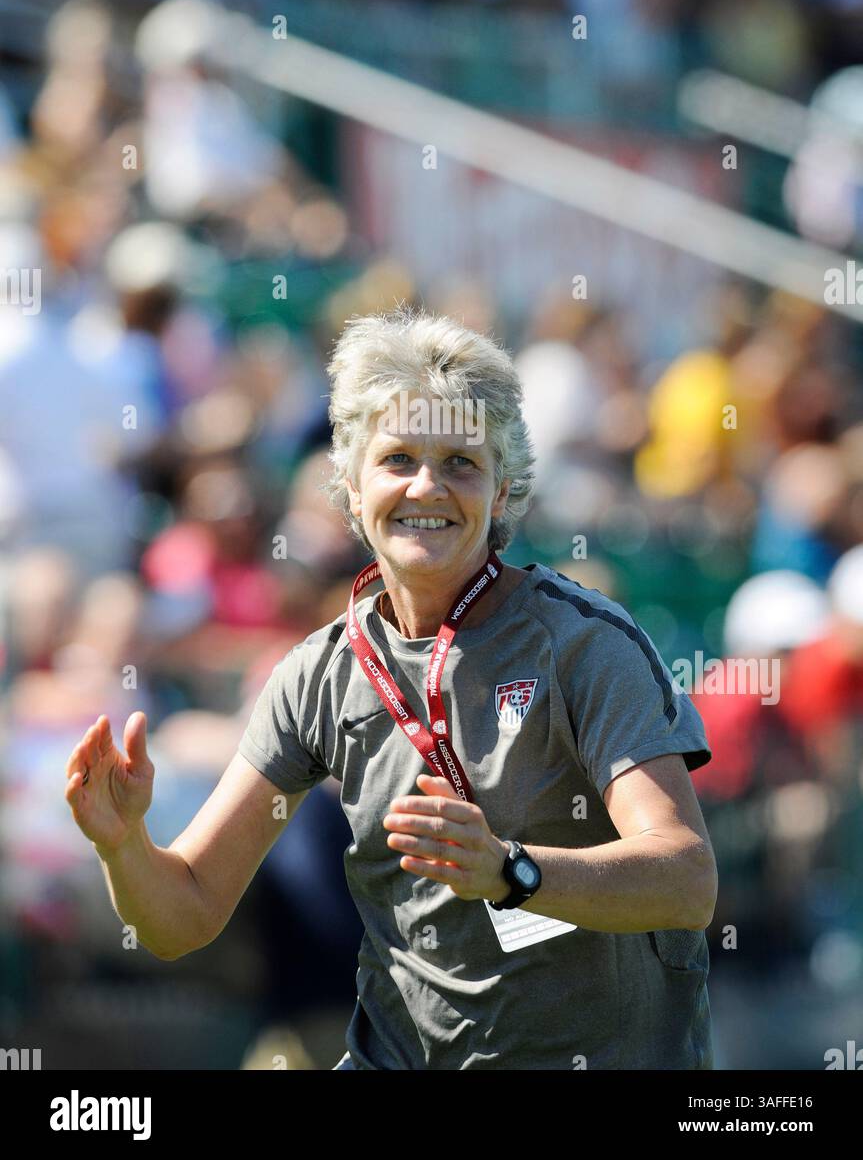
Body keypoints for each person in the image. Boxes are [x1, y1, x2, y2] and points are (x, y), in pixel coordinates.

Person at [65, 306, 717, 1070]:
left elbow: (683, 878)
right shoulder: (316, 672)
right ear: (348, 483)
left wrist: (511, 871)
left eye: (460, 462)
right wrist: (123, 846)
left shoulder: (583, 644)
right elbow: (184, 914)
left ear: (504, 491)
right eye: (398, 457)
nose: (426, 485)